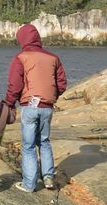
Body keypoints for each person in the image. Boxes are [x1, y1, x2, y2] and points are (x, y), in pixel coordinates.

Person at [4, 24, 67, 192]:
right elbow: (61, 84)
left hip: (29, 107)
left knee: (29, 145)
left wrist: (9, 103)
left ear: (22, 39)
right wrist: (51, 97)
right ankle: (48, 178)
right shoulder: (53, 58)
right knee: (44, 141)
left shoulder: (21, 57)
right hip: (47, 107)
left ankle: (29, 184)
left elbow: (15, 85)